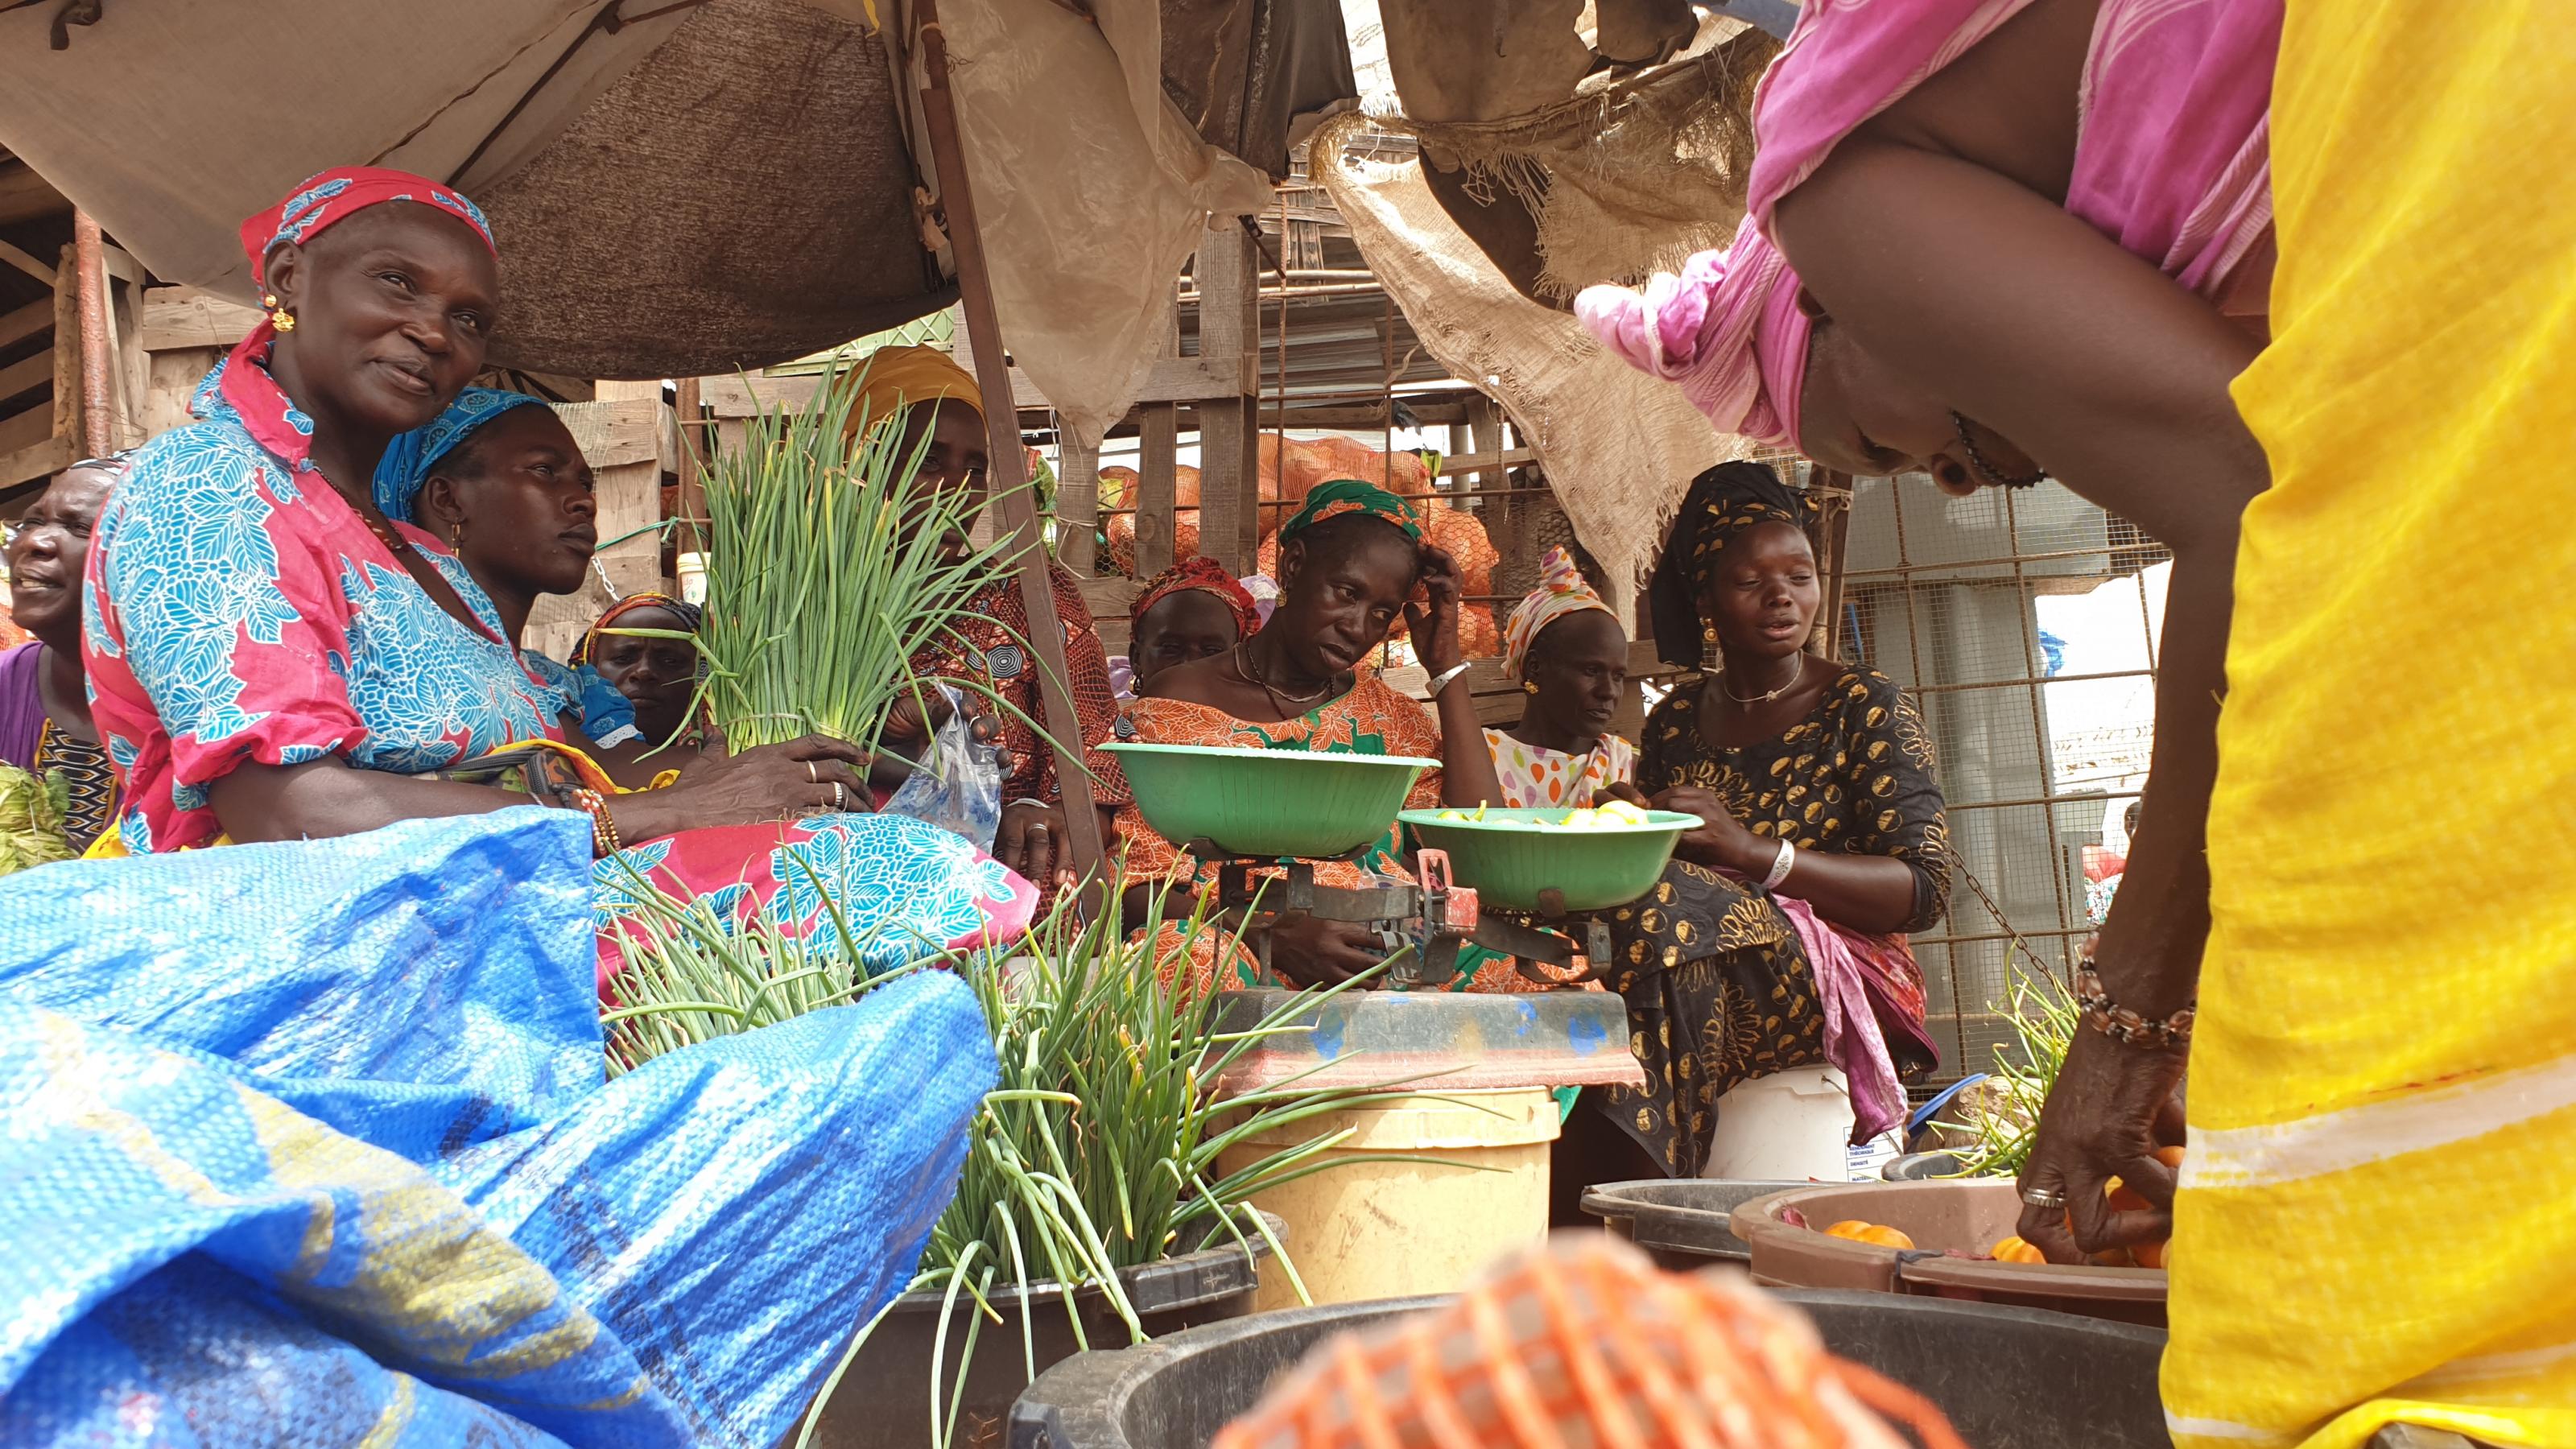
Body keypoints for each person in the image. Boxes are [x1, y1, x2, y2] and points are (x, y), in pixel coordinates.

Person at [1579, 0, 2270, 1257]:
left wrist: (2131, 1022)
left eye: (1872, 449)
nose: (1948, 481)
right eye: (1748, 580)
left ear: (1839, 306)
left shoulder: (1827, 203)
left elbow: (2273, 514)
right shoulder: (1678, 722)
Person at [80, 168, 1034, 961]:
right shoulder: (208, 489)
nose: (433, 333)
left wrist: (705, 767)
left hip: (491, 903)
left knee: (876, 859)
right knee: (902, 887)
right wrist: (665, 815)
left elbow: (525, 772)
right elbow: (289, 810)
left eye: (469, 318)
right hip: (338, 942)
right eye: (396, 284)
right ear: (289, 278)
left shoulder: (409, 552)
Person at [1563, 463, 1950, 1186]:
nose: (1782, 598)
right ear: (1705, 599)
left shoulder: (1863, 704)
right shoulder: (1676, 719)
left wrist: (1753, 853)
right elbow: (1665, 865)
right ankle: (1606, 1195)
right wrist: (1634, 826)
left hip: (1843, 973)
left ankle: (1636, 1200)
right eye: (1751, 582)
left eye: (1799, 576)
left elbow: (1922, 890)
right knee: (1618, 921)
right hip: (1702, 959)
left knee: (1667, 913)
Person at [1115, 478, 1513, 994]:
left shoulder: (1389, 717)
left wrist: (1446, 669)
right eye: (1347, 593)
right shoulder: (1180, 700)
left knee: (1552, 977)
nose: (1357, 626)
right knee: (1179, 962)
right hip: (1244, 944)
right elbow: (1138, 886)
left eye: (1381, 613)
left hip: (1388, 946)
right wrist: (1275, 936)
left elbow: (1477, 844)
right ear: (1294, 566)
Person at [843, 345, 1130, 890]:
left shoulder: (1029, 594)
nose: (954, 492)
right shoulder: (793, 608)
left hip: (1002, 870)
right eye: (929, 461)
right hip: (843, 866)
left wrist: (1062, 814)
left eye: (974, 470)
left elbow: (1095, 744)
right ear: (857, 461)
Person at [2, 456, 127, 854]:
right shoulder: (5, 684)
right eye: (33, 522)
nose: (34, 542)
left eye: (79, 527)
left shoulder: (204, 715)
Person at [1486, 545, 1633, 808]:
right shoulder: (1488, 755)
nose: (1609, 691)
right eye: (1591, 671)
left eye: (1619, 675)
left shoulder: (1620, 763)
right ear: (1535, 668)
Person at [572, 592, 711, 766]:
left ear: (706, 673)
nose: (643, 672)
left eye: (670, 661)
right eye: (622, 658)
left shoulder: (732, 763)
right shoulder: (554, 760)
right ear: (590, 668)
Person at [1125, 556, 1258, 699]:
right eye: (1171, 648)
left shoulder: (1266, 719)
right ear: (1136, 657)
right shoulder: (1111, 720)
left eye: (1212, 651)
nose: (1190, 665)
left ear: (1237, 663)